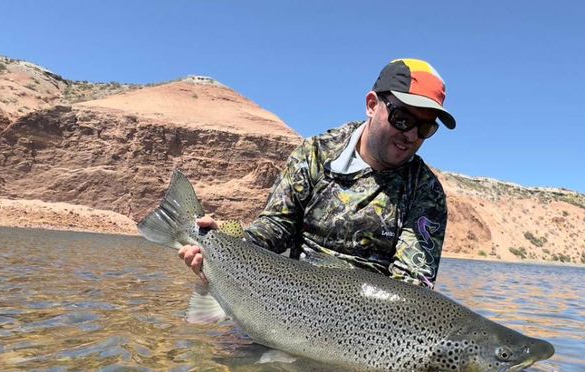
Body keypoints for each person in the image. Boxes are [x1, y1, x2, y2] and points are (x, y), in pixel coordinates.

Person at [179, 59, 456, 288]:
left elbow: (412, 285)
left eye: (424, 128)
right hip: (287, 297)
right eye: (403, 118)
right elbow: (276, 229)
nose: (410, 135)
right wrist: (227, 239)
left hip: (369, 321)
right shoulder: (316, 153)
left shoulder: (426, 192)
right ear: (372, 105)